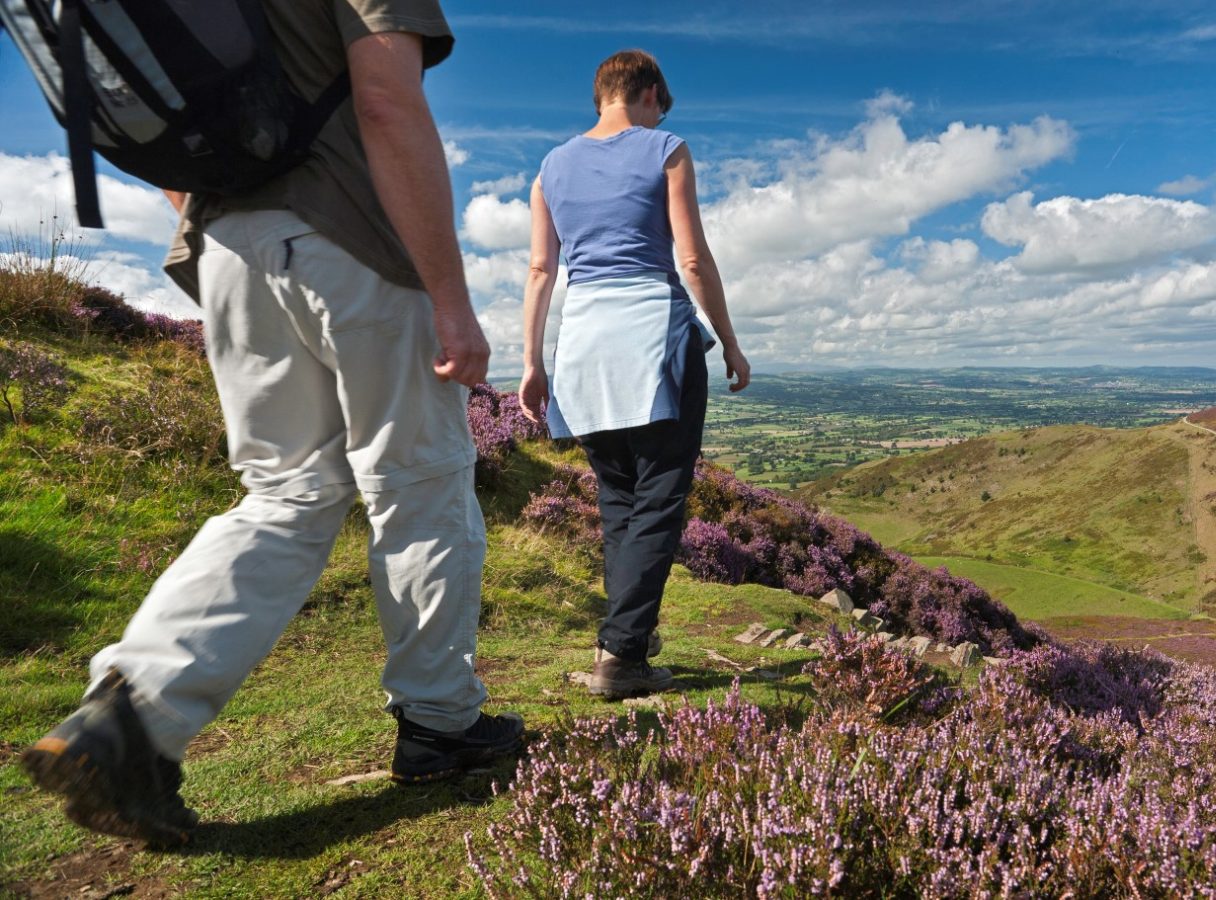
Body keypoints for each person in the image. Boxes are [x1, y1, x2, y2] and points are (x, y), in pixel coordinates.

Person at [22, 0, 524, 847]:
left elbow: (153, 121)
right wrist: (449, 296)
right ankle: (440, 724)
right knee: (420, 481)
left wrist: (235, 223)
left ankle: (130, 716)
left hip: (225, 242)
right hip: (353, 236)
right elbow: (386, 103)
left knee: (283, 493)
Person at [520, 50, 751, 699]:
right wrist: (730, 342)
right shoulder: (665, 147)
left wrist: (532, 362)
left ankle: (627, 637)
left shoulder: (550, 169)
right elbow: (692, 258)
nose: (658, 118)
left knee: (619, 499)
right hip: (655, 336)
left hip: (583, 348)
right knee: (658, 498)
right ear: (648, 93)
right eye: (659, 107)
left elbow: (541, 271)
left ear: (601, 95)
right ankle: (622, 656)